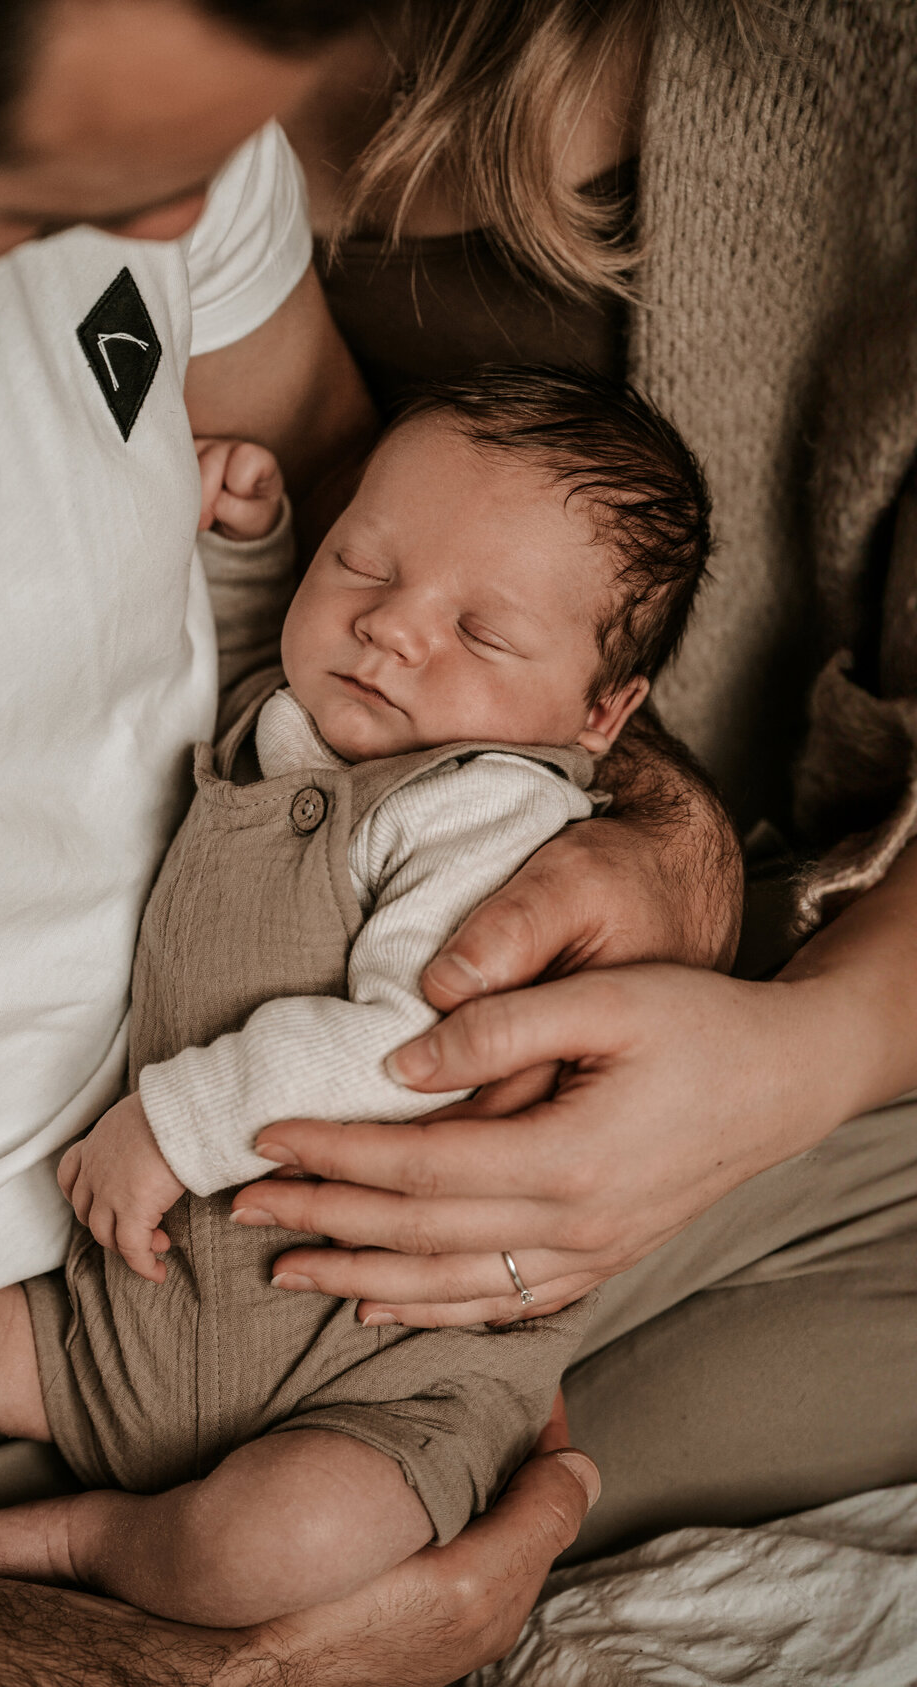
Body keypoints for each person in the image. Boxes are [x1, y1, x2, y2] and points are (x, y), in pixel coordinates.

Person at [0, 3, 608, 1683]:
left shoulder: (164, 124)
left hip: (392, 1258)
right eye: (80, 167)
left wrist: (660, 867)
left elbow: (355, 552)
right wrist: (123, 1657)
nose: (182, 227)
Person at [0, 366, 708, 1631]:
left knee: (284, 1545)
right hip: (139, 1310)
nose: (394, 629)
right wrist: (253, 560)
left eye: (480, 631)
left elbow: (417, 1044)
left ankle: (97, 1536)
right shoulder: (318, 718)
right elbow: (252, 686)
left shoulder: (488, 808)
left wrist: (177, 1124)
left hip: (372, 1370)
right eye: (363, 564)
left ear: (601, 712)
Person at [259, 0, 917, 1560]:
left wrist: (803, 1046)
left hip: (784, 979)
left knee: (370, 1484)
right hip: (227, 912)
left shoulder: (850, 73)